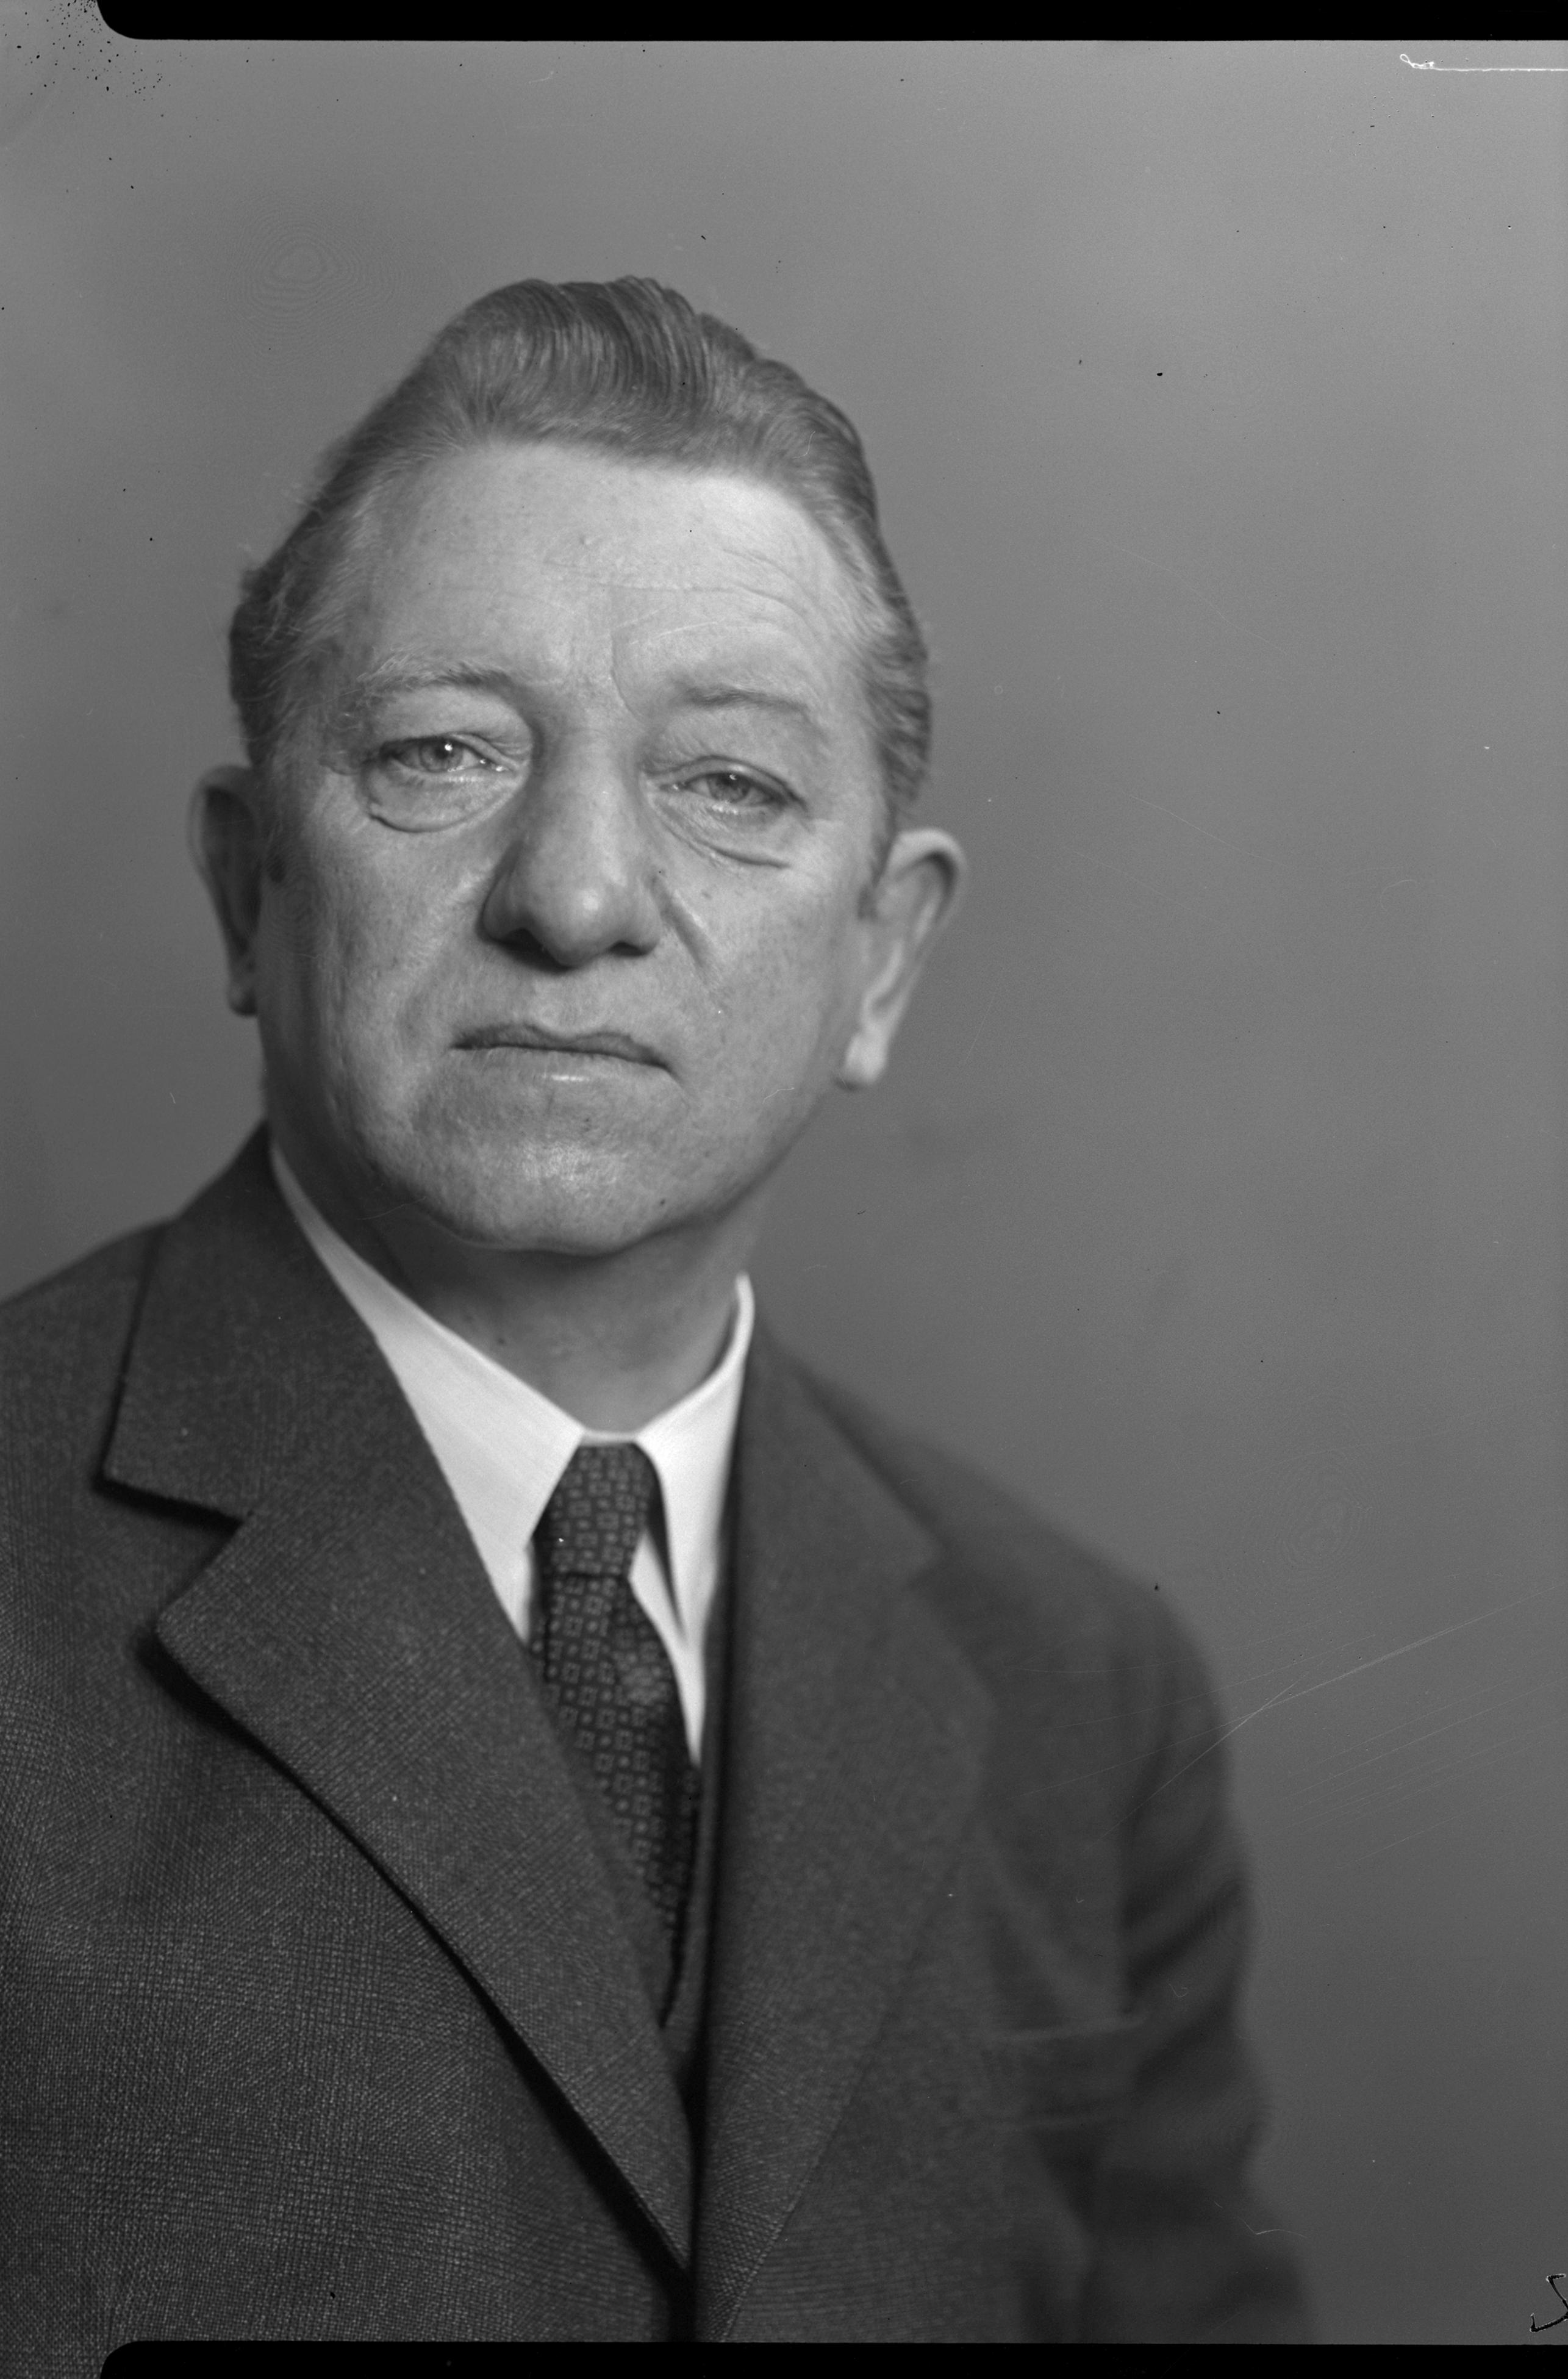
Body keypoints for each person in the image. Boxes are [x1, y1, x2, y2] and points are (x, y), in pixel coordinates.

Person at [0, 278, 1308, 2352]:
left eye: (730, 784)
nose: (580, 893)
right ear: (250, 887)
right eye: (442, 752)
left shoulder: (1079, 1690)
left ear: (883, 961)